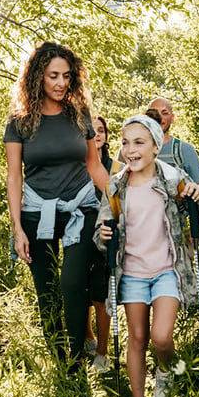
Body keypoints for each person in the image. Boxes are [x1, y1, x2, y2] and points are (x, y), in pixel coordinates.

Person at [94, 114, 199, 397]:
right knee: (137, 338)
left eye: (139, 142)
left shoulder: (172, 179)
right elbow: (100, 230)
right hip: (132, 273)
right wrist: (104, 235)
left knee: (161, 337)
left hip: (166, 269)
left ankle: (164, 372)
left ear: (155, 146)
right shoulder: (116, 186)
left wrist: (197, 192)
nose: (130, 150)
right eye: (124, 142)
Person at [4, 41, 109, 374]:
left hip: (81, 207)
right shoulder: (19, 121)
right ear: (38, 77)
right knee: (46, 290)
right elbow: (13, 177)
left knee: (72, 283)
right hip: (36, 212)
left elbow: (95, 168)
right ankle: (60, 362)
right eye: (53, 76)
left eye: (66, 76)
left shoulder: (79, 115)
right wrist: (17, 228)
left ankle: (78, 358)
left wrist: (125, 201)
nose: (61, 83)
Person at [84, 115, 113, 372]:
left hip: (105, 235)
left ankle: (103, 354)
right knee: (81, 290)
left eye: (101, 130)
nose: (97, 134)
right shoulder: (77, 166)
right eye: (91, 130)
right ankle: (88, 337)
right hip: (80, 232)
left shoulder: (116, 167)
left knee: (101, 293)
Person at [146, 97, 199, 183]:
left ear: (172, 118)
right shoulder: (130, 150)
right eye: (154, 113)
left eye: (165, 113)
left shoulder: (185, 150)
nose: (159, 118)